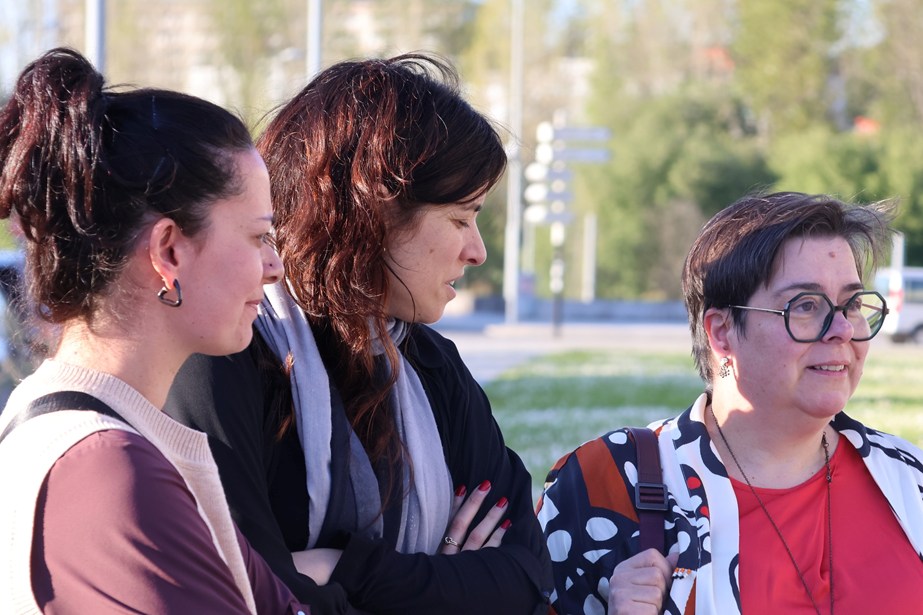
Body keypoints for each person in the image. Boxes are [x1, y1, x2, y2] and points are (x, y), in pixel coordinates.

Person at [165, 54, 552, 614]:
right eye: (460, 218)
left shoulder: (429, 362)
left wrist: (341, 568)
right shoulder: (229, 354)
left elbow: (526, 579)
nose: (477, 251)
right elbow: (251, 594)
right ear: (374, 214)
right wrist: (447, 583)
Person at [0, 48, 312, 613]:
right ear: (168, 250)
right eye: (258, 237)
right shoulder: (105, 470)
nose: (274, 267)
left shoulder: (105, 439)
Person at [538, 191, 923, 614]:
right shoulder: (604, 484)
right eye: (806, 306)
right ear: (721, 332)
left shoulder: (909, 480)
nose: (843, 330)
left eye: (852, 304)